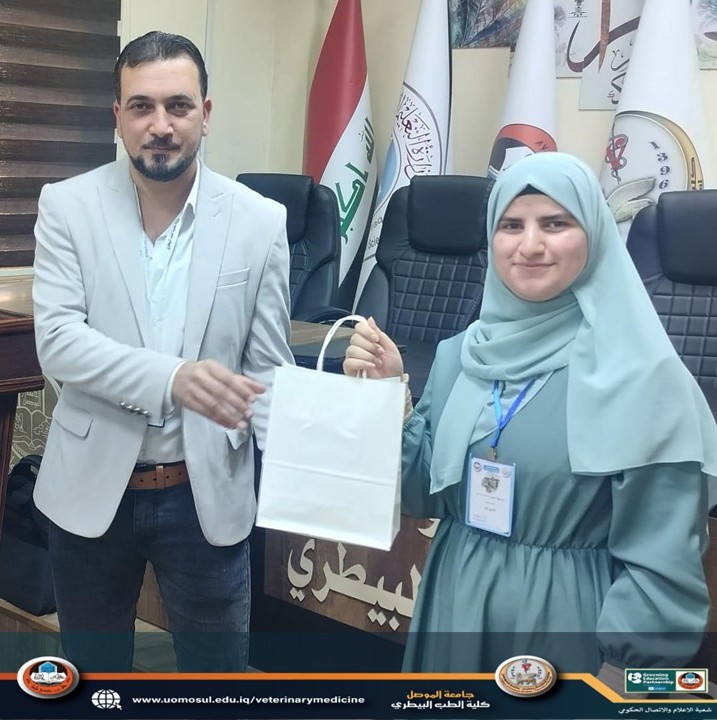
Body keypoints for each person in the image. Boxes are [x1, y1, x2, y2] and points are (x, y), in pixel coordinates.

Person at [343, 152, 717, 690]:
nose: (530, 244)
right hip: (455, 605)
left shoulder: (643, 378)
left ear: (594, 236)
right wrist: (387, 396)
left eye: (556, 223)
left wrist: (623, 678)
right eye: (511, 225)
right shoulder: (462, 357)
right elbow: (424, 493)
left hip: (567, 629)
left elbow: (663, 562)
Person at [31, 30, 294, 672]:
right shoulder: (67, 206)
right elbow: (59, 342)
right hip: (91, 491)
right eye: (142, 107)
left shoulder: (260, 221)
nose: (161, 125)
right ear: (117, 116)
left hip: (205, 496)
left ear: (206, 112)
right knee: (94, 682)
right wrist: (174, 378)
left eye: (178, 105)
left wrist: (325, 459)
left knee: (216, 684)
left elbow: (266, 373)